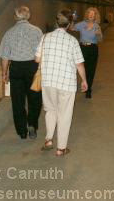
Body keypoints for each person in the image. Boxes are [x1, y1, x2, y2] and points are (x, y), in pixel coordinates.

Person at [36, 9, 88, 156]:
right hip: (66, 83)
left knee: (50, 110)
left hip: (48, 82)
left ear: (56, 22)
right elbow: (79, 64)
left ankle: (48, 140)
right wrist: (84, 80)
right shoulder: (72, 41)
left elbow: (37, 59)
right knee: (64, 114)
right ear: (70, 24)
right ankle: (61, 148)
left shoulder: (45, 38)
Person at [0, 6, 43, 139]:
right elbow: (42, 53)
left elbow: (5, 56)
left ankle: (22, 131)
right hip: (33, 68)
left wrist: (4, 74)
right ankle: (32, 124)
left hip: (16, 69)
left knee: (17, 101)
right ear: (28, 16)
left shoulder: (9, 33)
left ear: (16, 16)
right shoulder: (37, 31)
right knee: (35, 98)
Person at [72, 7, 102, 98]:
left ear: (95, 16)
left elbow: (100, 39)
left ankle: (88, 89)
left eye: (93, 14)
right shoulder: (81, 24)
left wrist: (98, 34)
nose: (91, 15)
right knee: (82, 68)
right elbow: (72, 28)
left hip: (93, 49)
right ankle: (84, 83)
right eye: (89, 13)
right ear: (87, 14)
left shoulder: (97, 26)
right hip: (82, 48)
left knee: (91, 69)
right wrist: (72, 19)